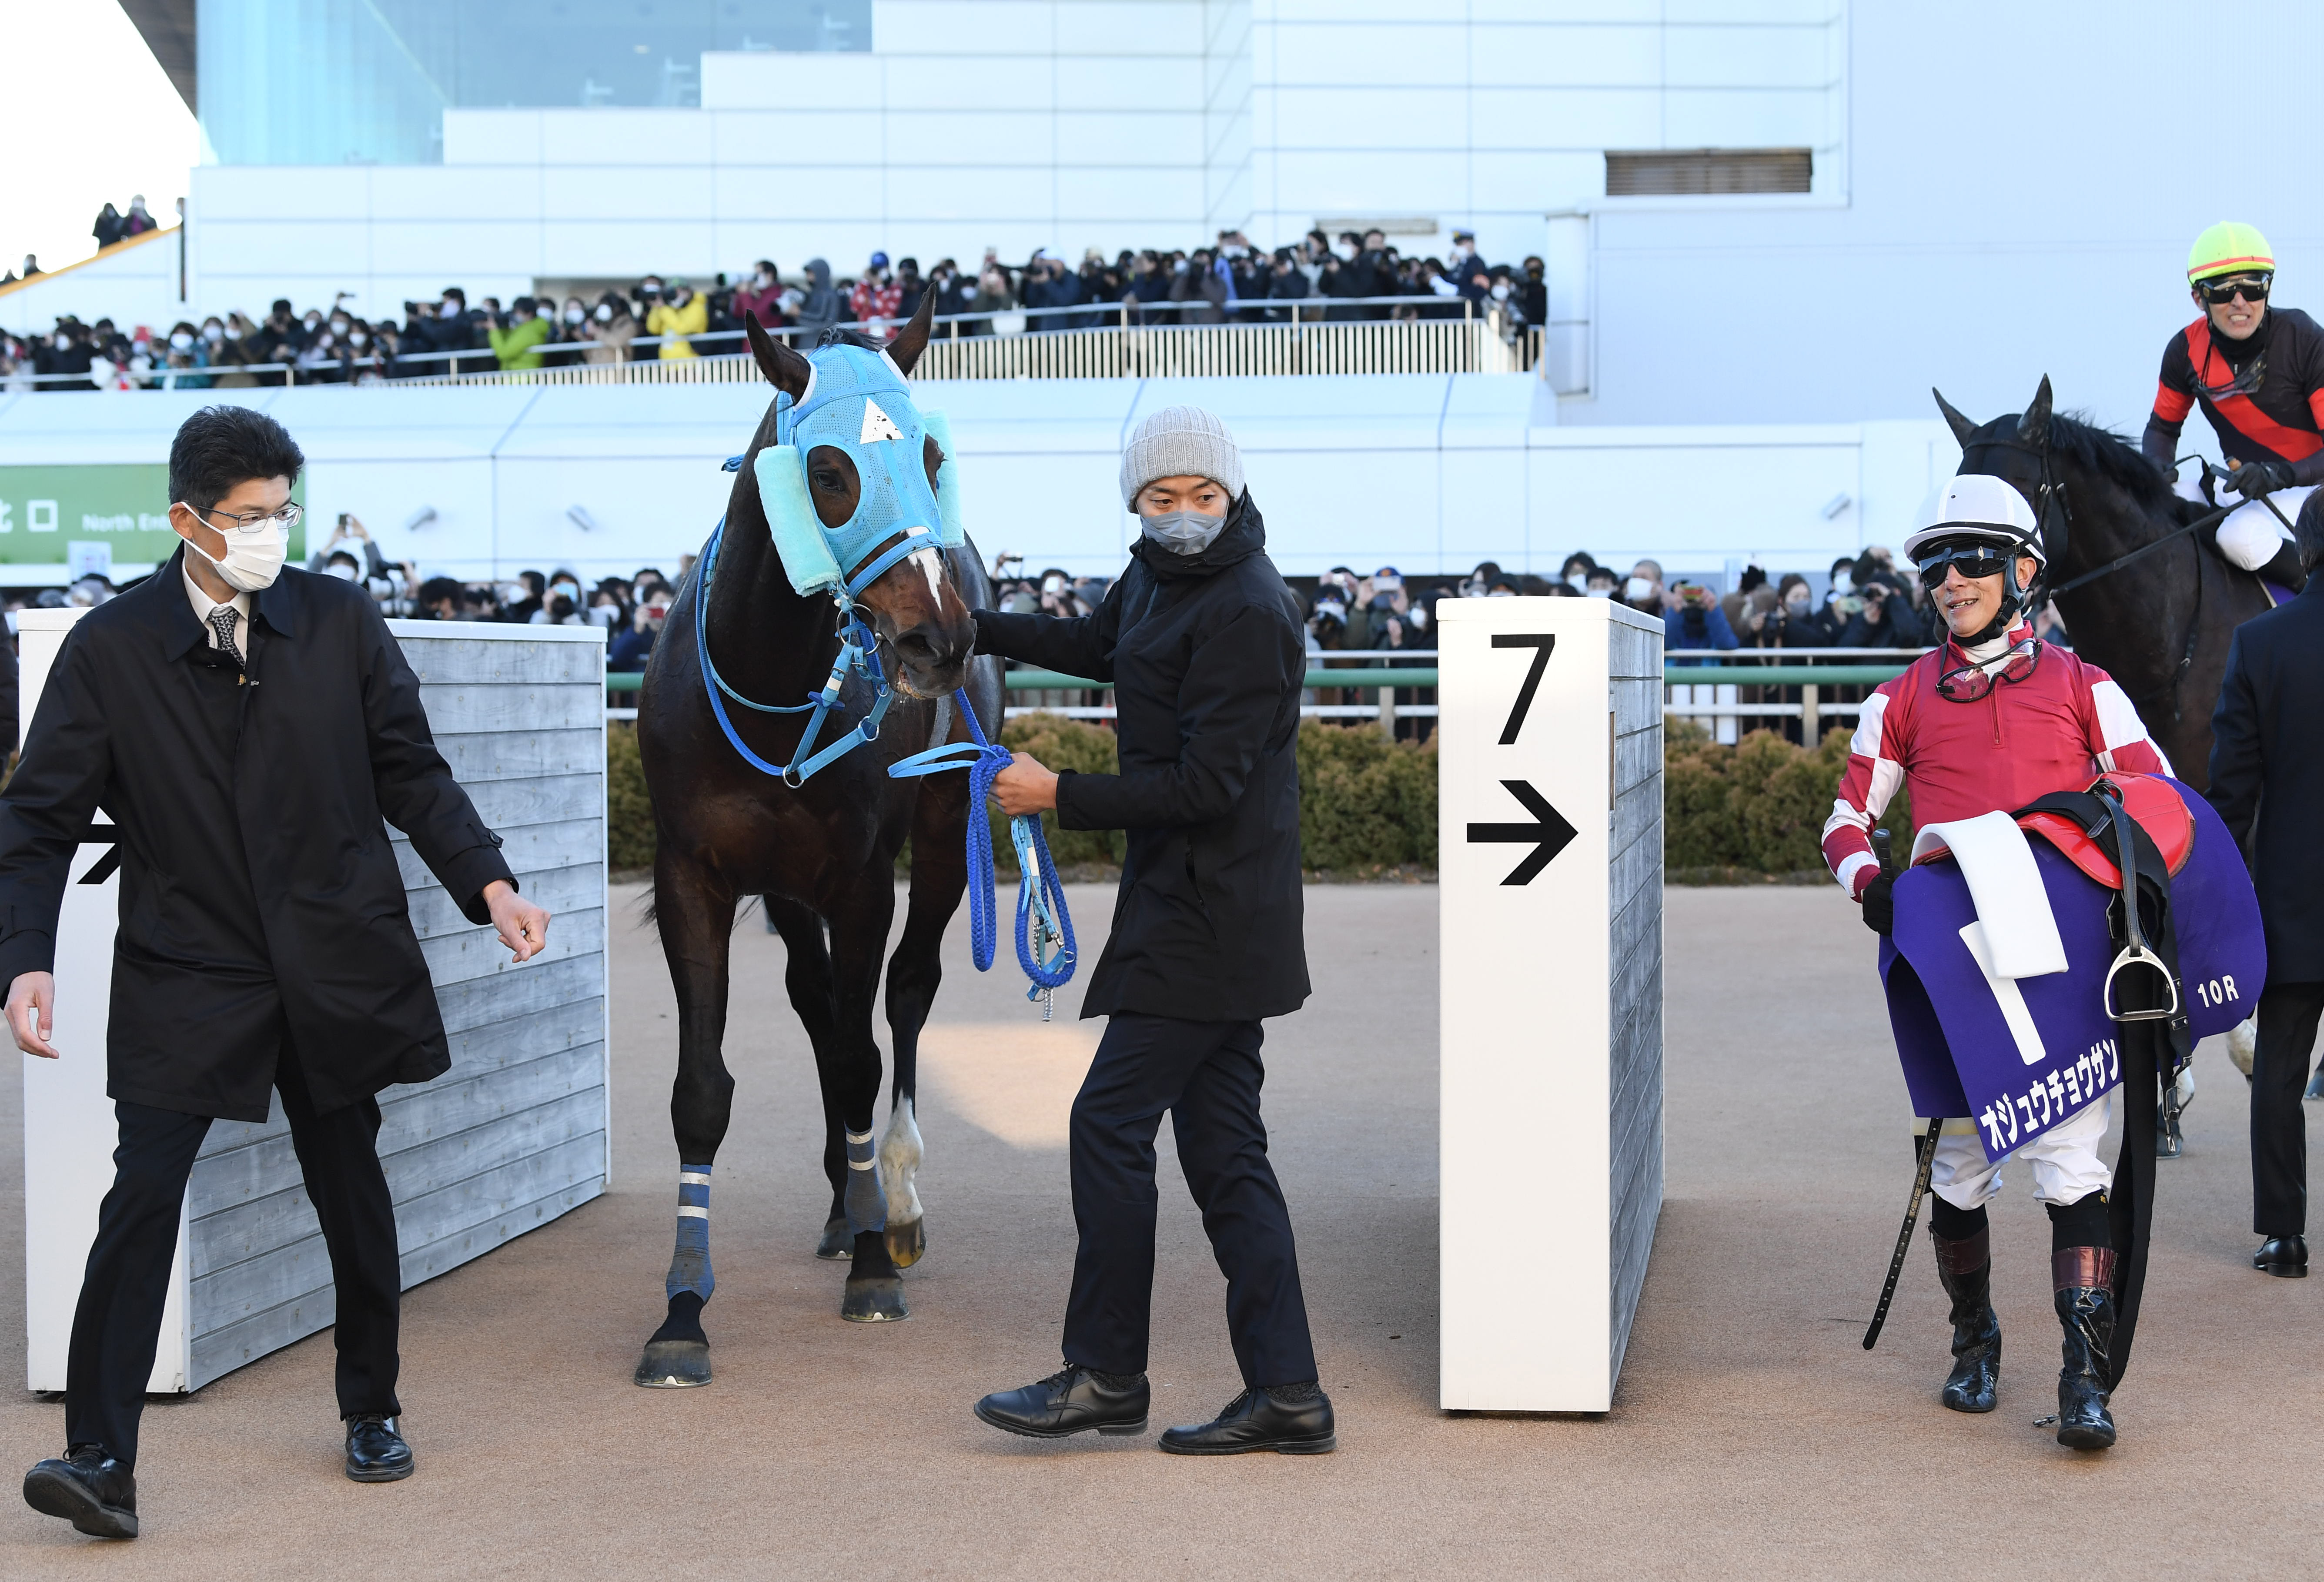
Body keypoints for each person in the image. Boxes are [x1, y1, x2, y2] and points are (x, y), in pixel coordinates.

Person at [7, 406, 552, 1538]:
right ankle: (99, 1452)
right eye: (248, 517)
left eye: (282, 512)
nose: (270, 533)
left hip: (331, 956)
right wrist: (26, 962)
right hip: (188, 963)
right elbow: (38, 822)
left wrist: (488, 883)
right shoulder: (111, 651)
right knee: (141, 1193)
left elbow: (412, 770)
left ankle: (371, 1406)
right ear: (186, 522)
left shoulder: (340, 623)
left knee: (346, 1179)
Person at [967, 406, 1333, 1455]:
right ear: (1137, 503)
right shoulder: (1152, 578)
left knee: (1106, 1123)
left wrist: (1055, 793)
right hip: (1200, 913)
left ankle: (1106, 1373)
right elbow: (1093, 644)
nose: (1180, 514)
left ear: (1231, 494)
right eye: (1160, 498)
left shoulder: (1252, 609)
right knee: (1226, 1156)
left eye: (1199, 496)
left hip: (1209, 915)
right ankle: (1288, 1391)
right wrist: (977, 627)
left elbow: (1209, 785)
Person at [1822, 473, 2170, 1452]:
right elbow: (1844, 820)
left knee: (2070, 1166)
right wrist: (1872, 885)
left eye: (1972, 559)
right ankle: (1972, 1339)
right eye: (1934, 563)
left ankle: (2081, 1376)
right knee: (1962, 1168)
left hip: (2063, 968)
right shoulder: (1898, 697)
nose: (1950, 579)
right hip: (1954, 974)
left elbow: (2158, 803)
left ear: (2022, 571)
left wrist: (2087, 872)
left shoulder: (2083, 686)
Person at [2206, 562, 2324, 1277]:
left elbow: (2230, 793)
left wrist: (2218, 896)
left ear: (2302, 554)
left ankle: (2283, 1237)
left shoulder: (2258, 642)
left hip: (2290, 895)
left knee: (2277, 1067)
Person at [2141, 223, 2320, 590]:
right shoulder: (2184, 351)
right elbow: (2161, 430)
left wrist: (2276, 475)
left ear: (2266, 290)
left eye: (2253, 287)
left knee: (2239, 538)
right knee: (2157, 510)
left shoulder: (2303, 338)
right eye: (2223, 291)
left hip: (2311, 486)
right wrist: (2156, 469)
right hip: (2246, 485)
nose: (2240, 302)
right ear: (2198, 299)